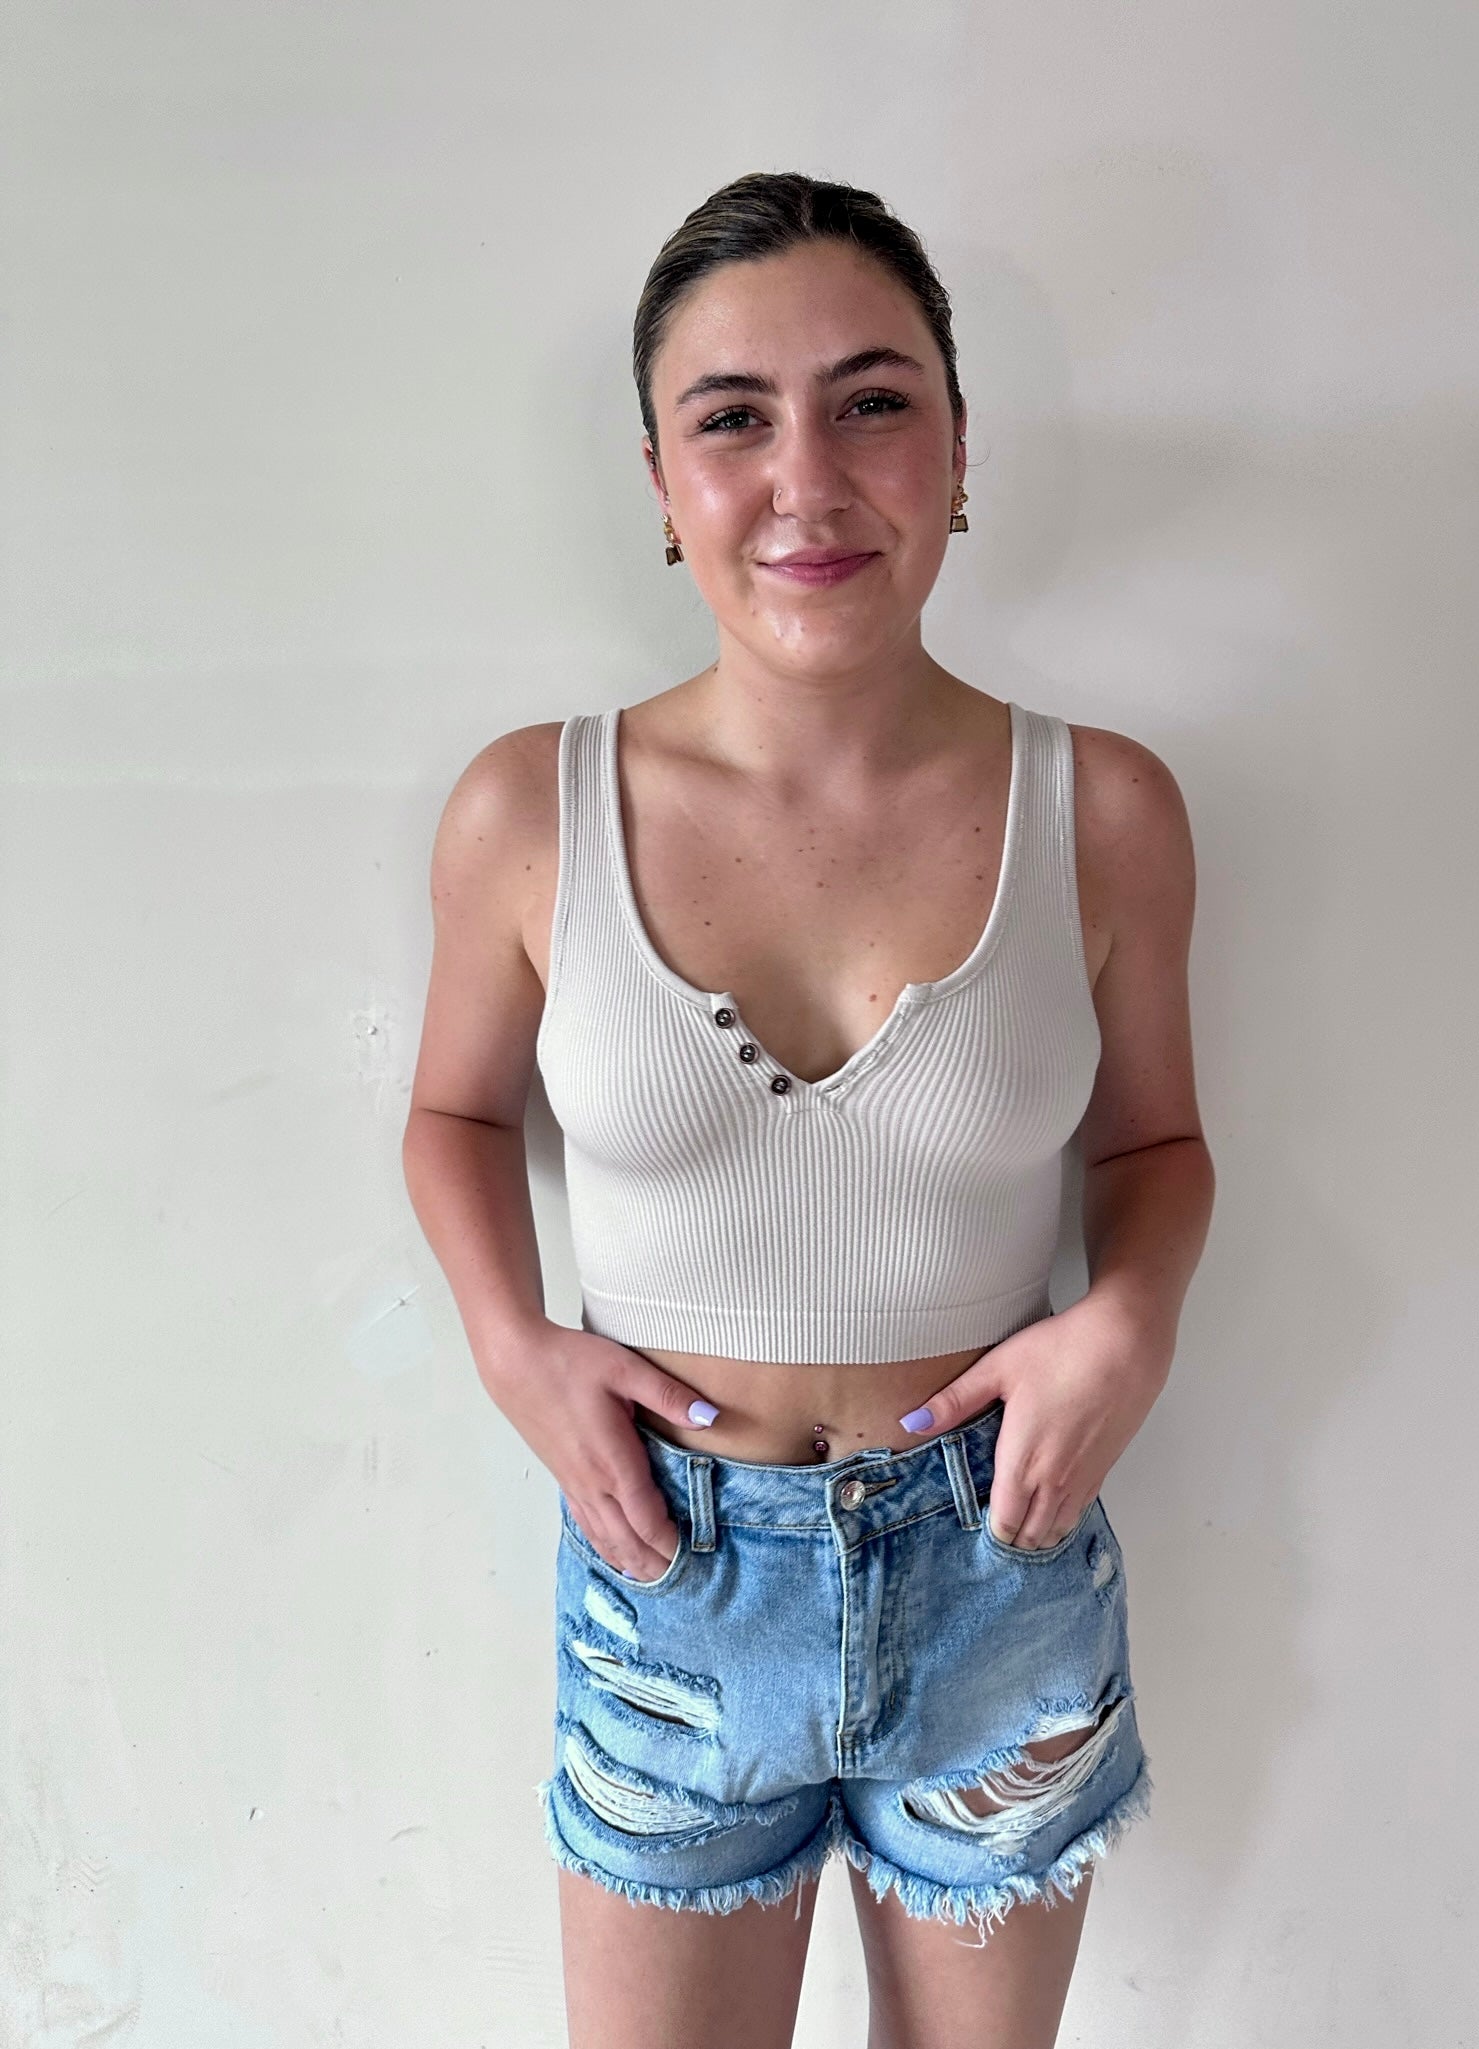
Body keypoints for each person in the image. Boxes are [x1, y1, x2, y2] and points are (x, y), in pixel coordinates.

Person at [402, 170, 1215, 2049]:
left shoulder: (1104, 810)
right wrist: (513, 1346)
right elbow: (453, 1114)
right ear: (659, 479)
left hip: (999, 1564)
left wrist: (1133, 1316)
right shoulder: (530, 810)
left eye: (872, 401)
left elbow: (1153, 1146)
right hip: (669, 1572)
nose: (808, 481)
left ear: (958, 446)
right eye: (733, 418)